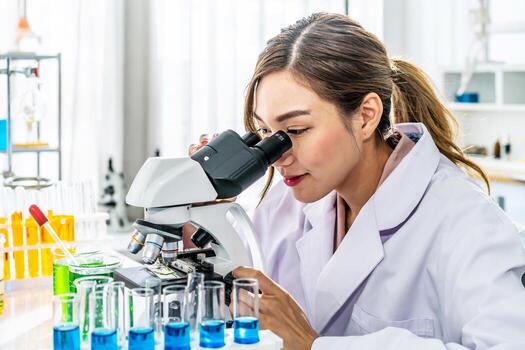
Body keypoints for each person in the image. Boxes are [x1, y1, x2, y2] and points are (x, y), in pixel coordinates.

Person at [191, 13, 525, 350]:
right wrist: (203, 220)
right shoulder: (285, 203)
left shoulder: (465, 222)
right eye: (265, 132)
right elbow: (240, 309)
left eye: (295, 131)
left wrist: (314, 345)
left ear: (366, 116)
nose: (278, 156)